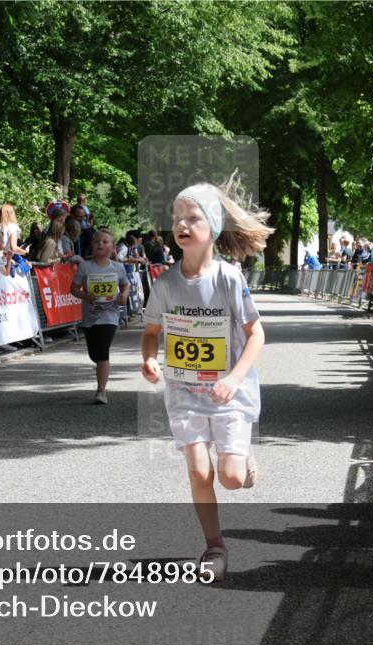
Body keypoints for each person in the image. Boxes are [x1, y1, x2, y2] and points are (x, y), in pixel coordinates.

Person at [140, 182, 272, 582]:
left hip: (229, 394)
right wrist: (148, 357)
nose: (182, 224)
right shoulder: (164, 284)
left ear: (212, 227)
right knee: (199, 472)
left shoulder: (230, 279)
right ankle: (214, 545)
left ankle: (244, 463)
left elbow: (256, 335)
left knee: (231, 478)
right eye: (177, 218)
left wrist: (234, 377)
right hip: (185, 393)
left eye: (193, 218)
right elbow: (150, 332)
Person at [70, 228, 130, 404]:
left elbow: (125, 285)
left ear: (112, 248)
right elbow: (73, 289)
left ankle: (101, 391)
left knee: (103, 352)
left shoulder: (118, 267)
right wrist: (85, 295)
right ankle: (100, 367)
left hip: (110, 316)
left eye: (105, 241)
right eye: (97, 241)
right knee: (94, 353)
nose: (100, 244)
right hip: (90, 316)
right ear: (92, 245)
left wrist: (124, 295)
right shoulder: (85, 266)